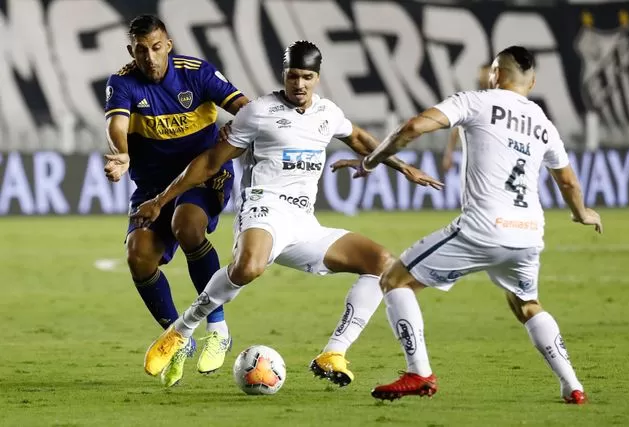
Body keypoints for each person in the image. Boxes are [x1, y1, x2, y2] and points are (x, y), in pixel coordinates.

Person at [135, 40, 444, 386]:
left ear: (317, 78)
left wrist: (403, 168)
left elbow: (357, 137)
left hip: (302, 223)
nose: (299, 84)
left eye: (307, 77)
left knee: (383, 265)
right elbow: (211, 161)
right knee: (249, 267)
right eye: (293, 76)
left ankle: (334, 353)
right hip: (262, 210)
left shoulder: (328, 114)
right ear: (283, 75)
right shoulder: (259, 112)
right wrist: (162, 199)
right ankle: (181, 331)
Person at [334, 46, 601, 404]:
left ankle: (419, 373)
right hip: (527, 234)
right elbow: (567, 181)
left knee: (394, 279)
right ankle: (572, 385)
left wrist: (371, 160)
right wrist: (581, 213)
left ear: (495, 74)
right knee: (526, 305)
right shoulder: (543, 123)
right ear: (532, 82)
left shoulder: (477, 100)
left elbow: (413, 126)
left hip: (482, 228)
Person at [103, 14, 250, 387]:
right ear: (131, 51)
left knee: (187, 225)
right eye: (141, 50)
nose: (150, 57)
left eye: (156, 48)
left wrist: (244, 124)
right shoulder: (122, 83)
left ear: (168, 44)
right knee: (138, 256)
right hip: (152, 186)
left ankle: (217, 328)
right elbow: (117, 125)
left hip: (202, 177)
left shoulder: (196, 73)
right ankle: (176, 337)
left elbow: (245, 106)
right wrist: (120, 153)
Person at [441, 63, 491, 172]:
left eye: (485, 77)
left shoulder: (505, 101)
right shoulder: (474, 101)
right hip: (477, 157)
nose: (482, 81)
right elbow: (457, 127)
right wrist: (449, 153)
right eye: (481, 78)